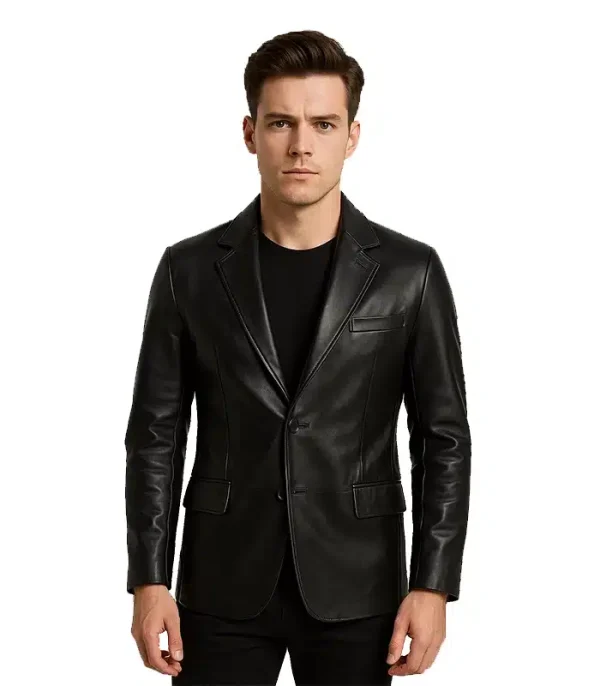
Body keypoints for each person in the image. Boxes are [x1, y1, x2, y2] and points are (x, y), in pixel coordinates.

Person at [125, 29, 471, 685]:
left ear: (352, 136)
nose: (301, 145)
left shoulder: (410, 273)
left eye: (323, 124)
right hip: (220, 580)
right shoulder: (188, 271)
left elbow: (443, 437)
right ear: (250, 132)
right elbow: (155, 436)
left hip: (360, 581)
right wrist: (148, 578)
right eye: (281, 122)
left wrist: (433, 583)